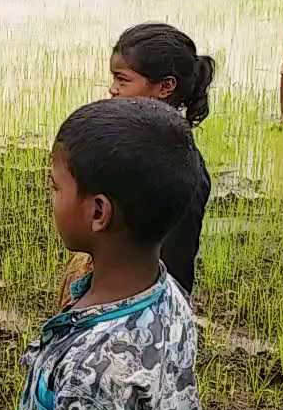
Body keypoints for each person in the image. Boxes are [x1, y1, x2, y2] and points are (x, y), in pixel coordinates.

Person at [0, 98, 206, 410]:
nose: (50, 196)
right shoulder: (170, 299)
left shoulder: (92, 373)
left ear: (98, 212)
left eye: (55, 186)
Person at [56, 23, 214, 307]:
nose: (112, 89)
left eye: (122, 80)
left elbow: (176, 265)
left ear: (165, 87)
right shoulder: (128, 148)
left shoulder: (175, 167)